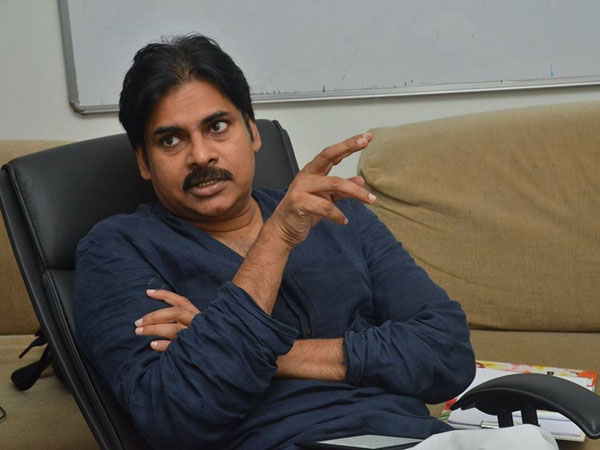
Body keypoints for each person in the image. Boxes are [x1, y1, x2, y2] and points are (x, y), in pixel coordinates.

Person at [74, 34, 475, 450]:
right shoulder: (114, 251)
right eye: (171, 140)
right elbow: (177, 415)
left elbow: (448, 353)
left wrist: (259, 350)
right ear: (144, 160)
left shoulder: (338, 216)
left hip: (418, 439)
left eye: (217, 127)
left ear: (252, 132)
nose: (201, 155)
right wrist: (277, 237)